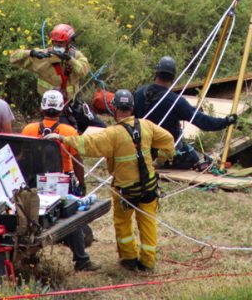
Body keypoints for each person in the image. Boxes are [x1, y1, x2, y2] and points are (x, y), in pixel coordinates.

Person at [45, 89, 175, 271]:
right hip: (149, 187)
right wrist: (162, 158)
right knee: (148, 224)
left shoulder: (112, 134)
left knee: (123, 223)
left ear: (115, 109)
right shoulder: (147, 125)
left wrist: (62, 138)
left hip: (126, 191)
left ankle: (129, 258)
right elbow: (168, 139)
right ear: (132, 108)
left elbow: (86, 143)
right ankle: (147, 262)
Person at [21, 90, 99, 272]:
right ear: (62, 108)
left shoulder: (29, 130)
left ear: (42, 107)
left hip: (34, 182)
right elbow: (78, 161)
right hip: (62, 182)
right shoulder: (68, 131)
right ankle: (81, 259)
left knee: (31, 218)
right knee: (72, 218)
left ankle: (29, 256)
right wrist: (82, 182)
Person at [133, 56, 237, 170]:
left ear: (156, 73)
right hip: (165, 152)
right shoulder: (175, 102)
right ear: (173, 77)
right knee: (194, 157)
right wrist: (226, 121)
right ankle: (164, 162)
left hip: (141, 150)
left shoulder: (138, 93)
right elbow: (204, 123)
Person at [10, 23, 105, 132]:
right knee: (66, 133)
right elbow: (13, 58)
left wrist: (69, 59)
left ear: (69, 42)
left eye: (61, 43)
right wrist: (31, 53)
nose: (57, 45)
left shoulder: (76, 56)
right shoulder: (42, 56)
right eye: (55, 42)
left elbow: (83, 70)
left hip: (72, 104)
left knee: (101, 128)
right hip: (52, 109)